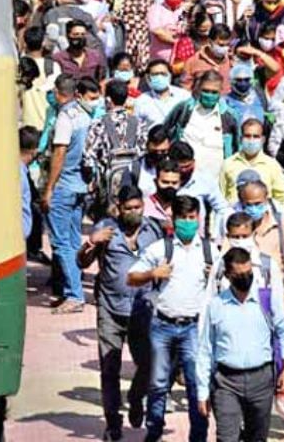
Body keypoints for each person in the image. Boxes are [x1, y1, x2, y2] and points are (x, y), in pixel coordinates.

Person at [127, 194, 216, 442]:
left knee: (196, 385)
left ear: (198, 218)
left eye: (192, 217)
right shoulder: (160, 249)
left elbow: (224, 287)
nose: (188, 222)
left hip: (194, 328)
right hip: (163, 326)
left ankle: (198, 435)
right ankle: (154, 430)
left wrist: (214, 278)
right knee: (158, 384)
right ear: (173, 219)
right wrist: (153, 273)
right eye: (183, 218)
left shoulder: (210, 252)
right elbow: (131, 277)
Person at [78, 186, 163, 439]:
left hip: (143, 309)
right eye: (129, 209)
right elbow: (82, 262)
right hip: (110, 309)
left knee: (148, 364)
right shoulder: (106, 229)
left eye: (138, 207)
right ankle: (113, 424)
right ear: (119, 207)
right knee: (110, 368)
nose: (134, 212)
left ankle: (136, 398)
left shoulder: (154, 230)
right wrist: (92, 242)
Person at [195, 246, 284, 442]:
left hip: (261, 379)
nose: (246, 278)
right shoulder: (216, 306)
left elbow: (283, 331)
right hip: (226, 382)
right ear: (229, 275)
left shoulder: (266, 300)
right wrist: (202, 392)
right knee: (226, 437)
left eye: (249, 273)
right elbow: (205, 349)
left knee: (256, 437)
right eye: (240, 274)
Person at [43, 78, 102, 314]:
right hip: (81, 187)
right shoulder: (89, 116)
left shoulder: (67, 117)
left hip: (64, 186)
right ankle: (73, 290)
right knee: (73, 240)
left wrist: (49, 188)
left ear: (58, 93)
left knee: (61, 243)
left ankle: (74, 294)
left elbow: (59, 152)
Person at [162, 70, 240, 175]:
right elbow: (165, 131)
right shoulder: (185, 109)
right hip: (184, 176)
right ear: (199, 89)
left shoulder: (229, 116)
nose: (209, 95)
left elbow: (238, 146)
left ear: (221, 91)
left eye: (214, 92)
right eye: (206, 91)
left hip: (217, 179)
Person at [85, 79, 143, 217]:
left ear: (108, 100)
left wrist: (93, 180)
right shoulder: (137, 122)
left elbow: (88, 156)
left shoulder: (99, 123)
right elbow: (143, 149)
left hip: (107, 182)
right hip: (133, 177)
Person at [221, 119, 284, 211]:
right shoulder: (228, 164)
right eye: (247, 136)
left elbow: (282, 199)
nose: (251, 140)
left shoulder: (272, 165)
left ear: (263, 139)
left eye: (256, 136)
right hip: (235, 220)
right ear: (241, 139)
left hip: (264, 221)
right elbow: (220, 199)